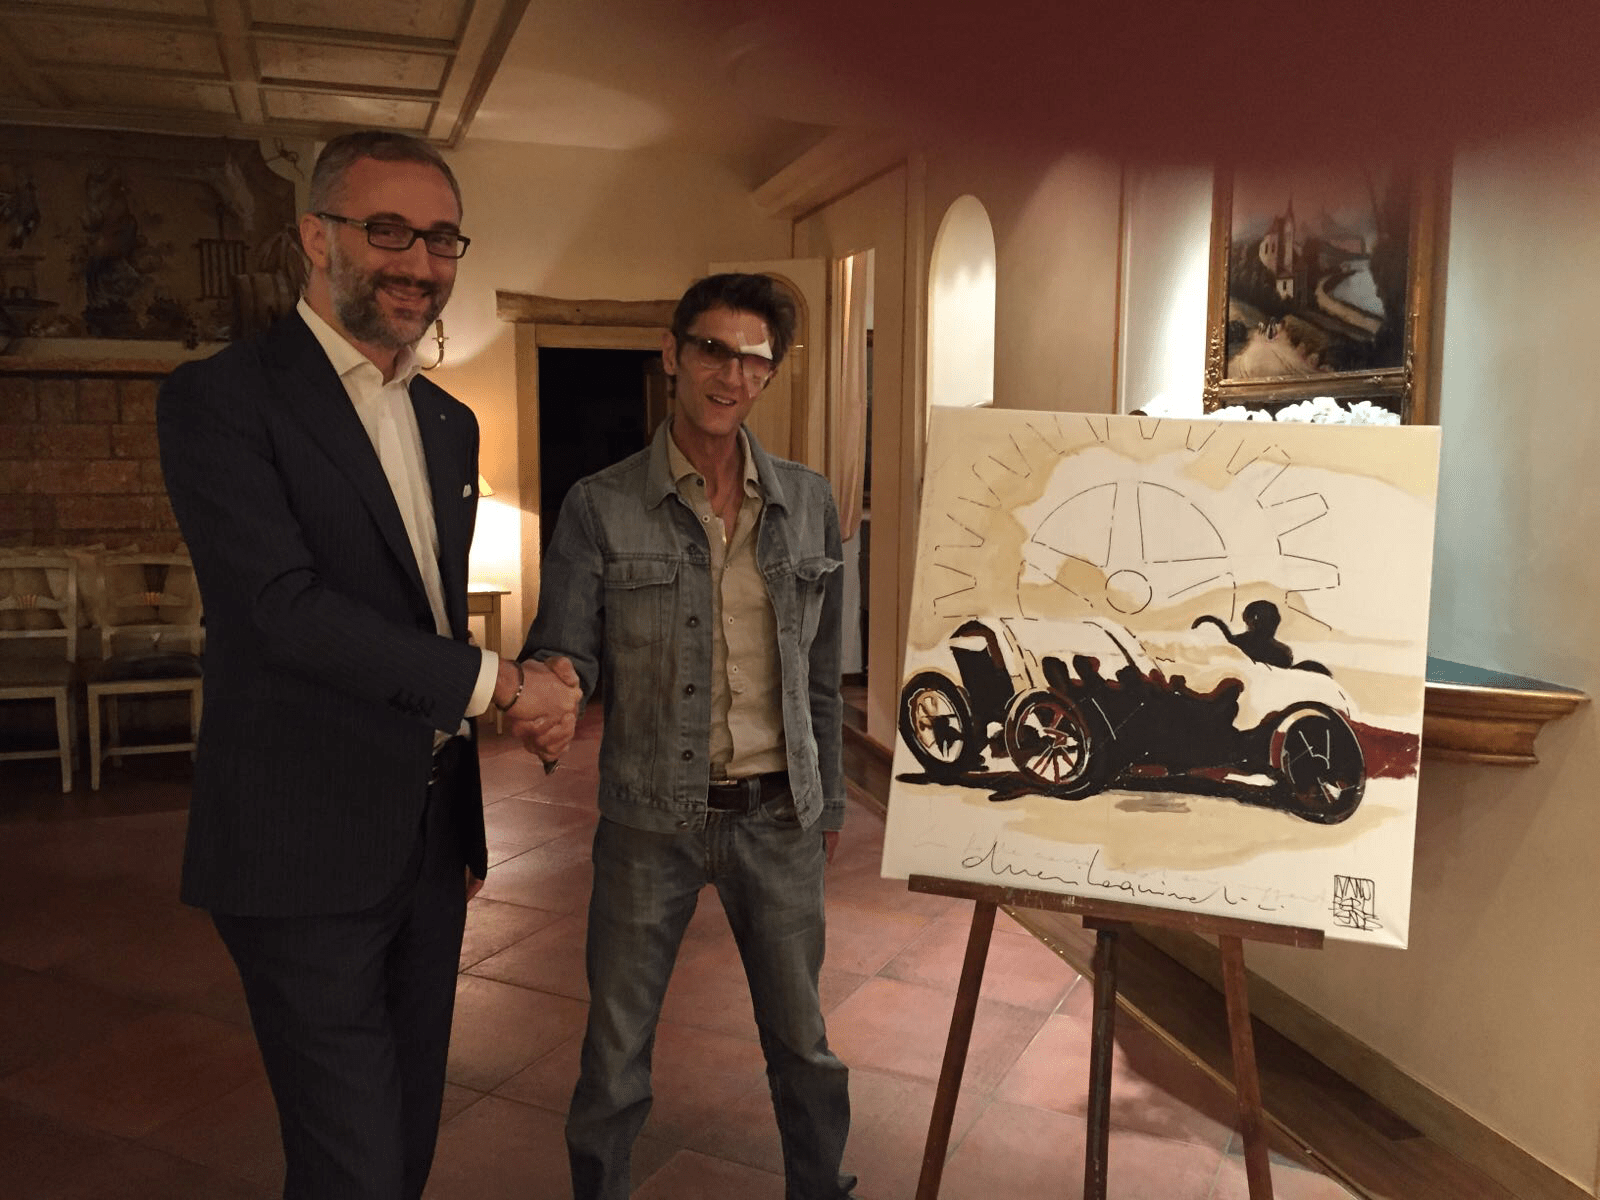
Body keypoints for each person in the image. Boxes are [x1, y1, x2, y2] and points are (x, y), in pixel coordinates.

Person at [157, 130, 578, 1200]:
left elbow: (418, 608)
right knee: (352, 1161)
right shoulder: (223, 397)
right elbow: (282, 611)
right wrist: (503, 686)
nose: (418, 263)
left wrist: (471, 795)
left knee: (405, 1140)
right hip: (299, 840)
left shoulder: (447, 420)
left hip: (428, 838)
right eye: (387, 231)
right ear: (315, 236)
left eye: (440, 239)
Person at [523, 273, 857, 1200]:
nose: (731, 375)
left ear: (770, 373)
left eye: (754, 359)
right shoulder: (600, 505)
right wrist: (552, 685)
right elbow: (565, 646)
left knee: (804, 1045)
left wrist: (826, 797)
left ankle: (819, 1189)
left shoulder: (809, 502)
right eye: (713, 350)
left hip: (776, 816)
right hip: (649, 821)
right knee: (615, 1054)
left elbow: (821, 675)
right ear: (672, 353)